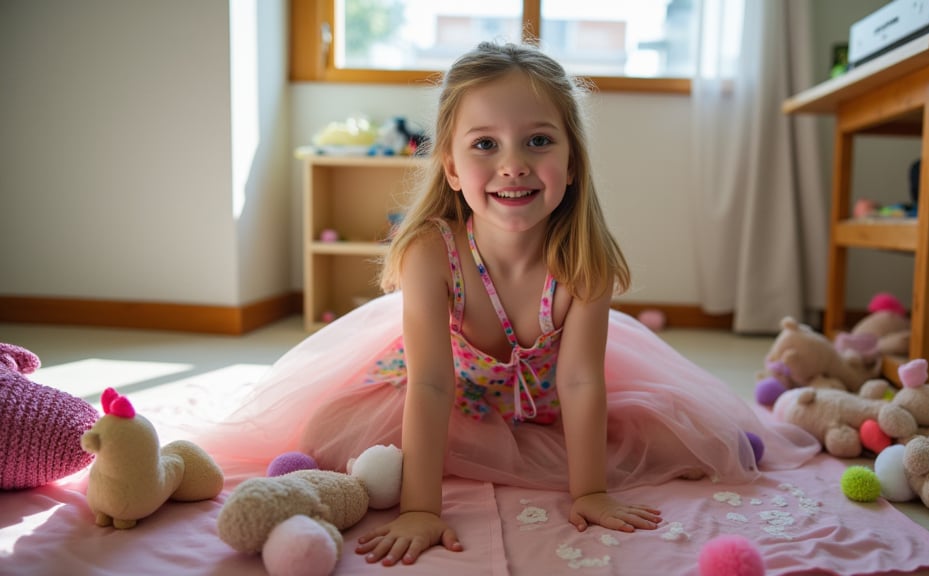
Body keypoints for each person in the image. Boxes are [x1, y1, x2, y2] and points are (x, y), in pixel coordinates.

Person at [203, 41, 818, 567]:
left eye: (538, 141)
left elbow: (579, 383)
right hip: (443, 387)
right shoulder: (430, 252)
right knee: (332, 432)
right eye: (485, 145)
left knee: (675, 444)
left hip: (544, 404)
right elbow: (431, 386)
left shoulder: (584, 263)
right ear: (449, 167)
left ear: (572, 162)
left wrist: (590, 493)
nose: (514, 165)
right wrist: (420, 508)